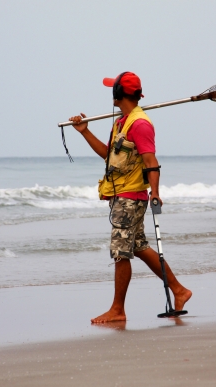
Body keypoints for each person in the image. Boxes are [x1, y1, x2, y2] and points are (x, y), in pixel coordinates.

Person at [69, 72, 192, 323]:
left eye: (111, 89)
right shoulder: (121, 122)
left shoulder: (140, 124)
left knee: (121, 252)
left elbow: (151, 162)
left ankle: (117, 309)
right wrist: (84, 131)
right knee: (138, 246)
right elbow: (108, 154)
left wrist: (155, 193)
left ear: (117, 94)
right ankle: (179, 290)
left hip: (130, 198)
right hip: (121, 195)